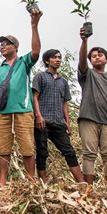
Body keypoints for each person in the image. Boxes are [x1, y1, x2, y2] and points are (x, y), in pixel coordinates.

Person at [0, 8, 42, 185]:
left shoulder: (24, 62)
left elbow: (36, 51)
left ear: (15, 47)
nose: (3, 46)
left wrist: (34, 25)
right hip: (1, 111)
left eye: (6, 43)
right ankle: (2, 181)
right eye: (1, 44)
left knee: (27, 146)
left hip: (23, 110)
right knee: (3, 147)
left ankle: (31, 179)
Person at [77, 28, 107, 192]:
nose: (97, 57)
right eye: (93, 56)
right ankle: (88, 189)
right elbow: (82, 62)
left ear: (106, 59)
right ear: (90, 60)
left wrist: (106, 106)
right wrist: (84, 40)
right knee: (89, 154)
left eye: (100, 55)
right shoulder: (87, 74)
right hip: (88, 119)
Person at [32, 49, 84, 183]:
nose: (58, 60)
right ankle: (43, 182)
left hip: (58, 122)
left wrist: (67, 122)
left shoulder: (63, 82)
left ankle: (81, 182)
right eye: (54, 57)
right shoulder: (40, 77)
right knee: (42, 151)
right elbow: (35, 97)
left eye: (59, 57)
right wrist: (38, 116)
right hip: (43, 120)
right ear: (47, 61)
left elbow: (64, 103)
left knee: (69, 151)